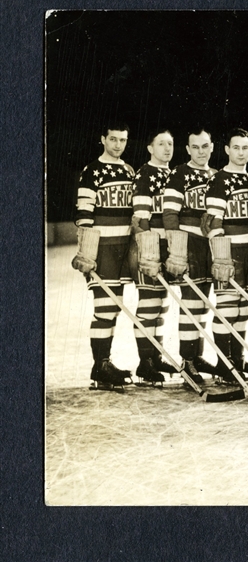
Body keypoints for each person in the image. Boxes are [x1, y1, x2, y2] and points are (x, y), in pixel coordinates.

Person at [71, 122, 136, 388]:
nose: (118, 145)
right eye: (113, 139)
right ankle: (100, 366)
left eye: (122, 140)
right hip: (103, 249)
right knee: (104, 308)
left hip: (123, 248)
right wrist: (87, 250)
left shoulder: (129, 170)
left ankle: (104, 364)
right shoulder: (93, 171)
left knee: (115, 306)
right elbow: (84, 213)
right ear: (102, 139)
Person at [162, 128, 220, 381]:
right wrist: (177, 248)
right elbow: (170, 214)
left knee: (204, 304)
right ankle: (187, 360)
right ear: (187, 149)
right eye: (195, 147)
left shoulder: (216, 175)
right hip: (189, 245)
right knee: (191, 304)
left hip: (210, 246)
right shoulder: (179, 174)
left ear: (212, 147)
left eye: (205, 146)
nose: (201, 152)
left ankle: (197, 355)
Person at [201, 128, 248, 382]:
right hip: (230, 251)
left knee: (245, 309)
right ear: (226, 150)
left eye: (245, 148)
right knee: (227, 307)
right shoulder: (220, 179)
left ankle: (238, 361)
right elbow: (213, 223)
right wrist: (221, 255)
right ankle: (225, 365)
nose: (241, 152)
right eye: (236, 147)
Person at [128, 129, 174, 384]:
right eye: (161, 144)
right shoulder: (145, 174)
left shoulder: (171, 174)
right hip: (148, 246)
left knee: (161, 305)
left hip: (166, 246)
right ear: (150, 148)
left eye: (170, 144)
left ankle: (155, 357)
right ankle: (145, 361)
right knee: (149, 302)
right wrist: (149, 250)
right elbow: (141, 219)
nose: (167, 149)